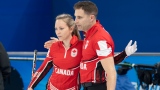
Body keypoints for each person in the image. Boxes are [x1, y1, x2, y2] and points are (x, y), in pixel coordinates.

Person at [28, 14, 83, 90]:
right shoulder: (54, 47)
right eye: (56, 29)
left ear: (71, 29)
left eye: (61, 28)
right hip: (52, 87)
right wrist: (31, 86)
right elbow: (43, 69)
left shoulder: (82, 47)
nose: (58, 32)